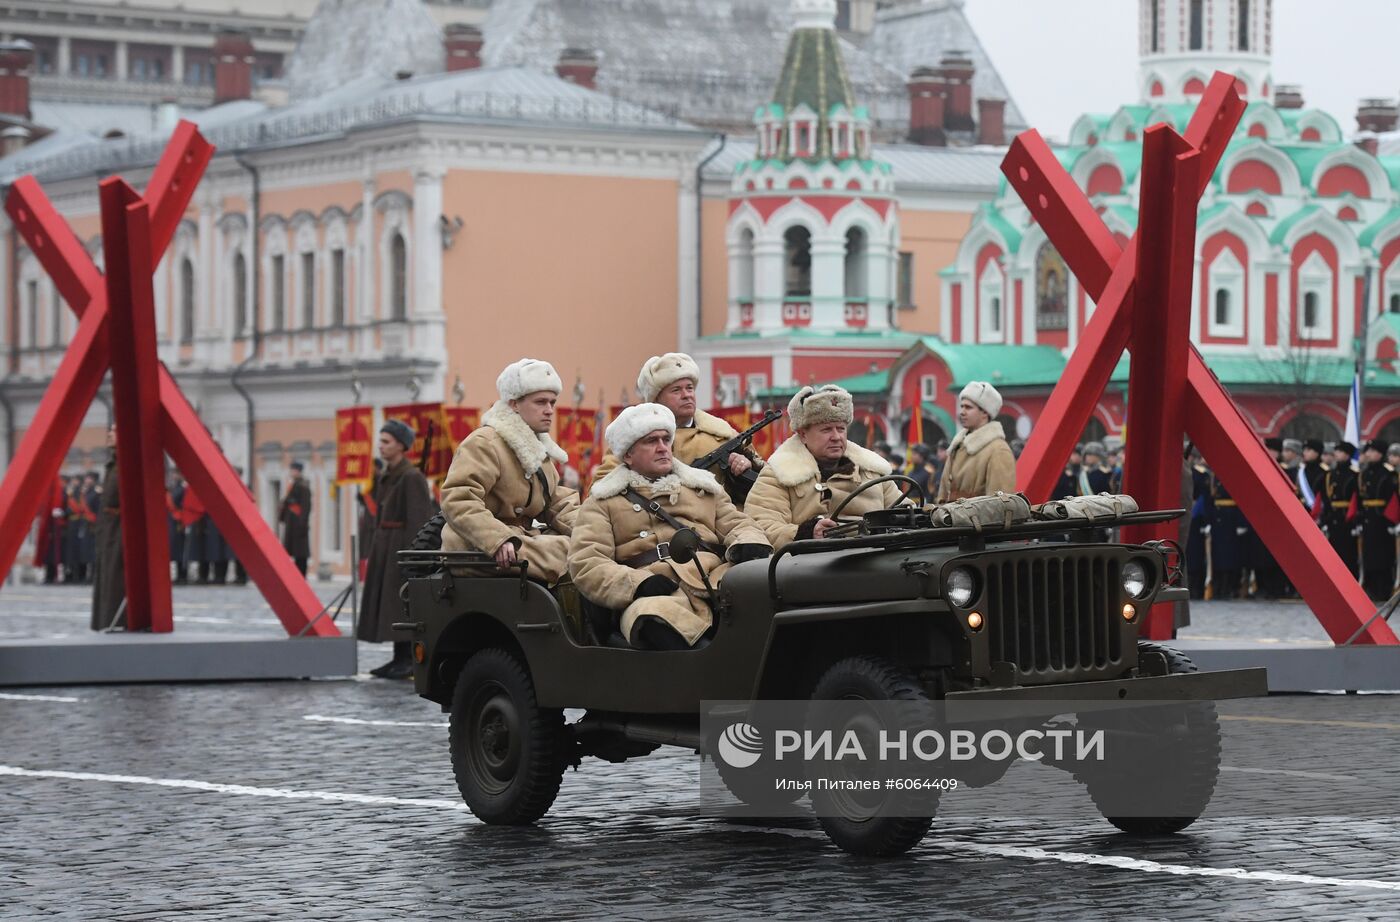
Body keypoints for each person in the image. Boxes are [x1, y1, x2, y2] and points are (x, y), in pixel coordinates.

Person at [568, 403, 770, 649]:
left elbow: (738, 523)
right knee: (655, 619)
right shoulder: (603, 501)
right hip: (656, 592)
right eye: (651, 441)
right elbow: (586, 562)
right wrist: (637, 583)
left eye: (666, 439)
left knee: (769, 605)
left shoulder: (703, 488)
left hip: (716, 581)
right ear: (628, 454)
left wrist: (747, 543)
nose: (663, 447)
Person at [440, 358, 579, 585]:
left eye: (552, 402)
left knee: (588, 551)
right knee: (570, 555)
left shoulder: (536, 448)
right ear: (514, 404)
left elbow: (557, 502)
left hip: (519, 542)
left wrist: (592, 532)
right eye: (540, 402)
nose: (549, 410)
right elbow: (458, 499)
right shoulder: (485, 443)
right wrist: (498, 539)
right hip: (478, 546)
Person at [745, 384, 902, 551]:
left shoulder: (873, 470)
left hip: (877, 560)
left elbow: (905, 510)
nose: (836, 437)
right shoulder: (778, 474)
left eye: (841, 429)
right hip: (810, 566)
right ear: (803, 434)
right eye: (826, 430)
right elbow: (760, 525)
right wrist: (807, 533)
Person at [591, 353, 763, 505]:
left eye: (689, 388)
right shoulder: (632, 437)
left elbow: (765, 486)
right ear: (656, 399)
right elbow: (602, 486)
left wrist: (746, 467)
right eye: (676, 390)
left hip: (716, 525)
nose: (686, 394)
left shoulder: (722, 434)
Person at [360, 418, 439, 678]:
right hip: (386, 547)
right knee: (390, 606)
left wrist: (413, 558)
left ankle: (407, 660)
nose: (380, 447)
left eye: (386, 442)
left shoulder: (411, 477)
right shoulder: (387, 476)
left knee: (402, 604)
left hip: (402, 548)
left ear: (401, 446)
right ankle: (397, 658)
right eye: (380, 441)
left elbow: (419, 520)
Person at [935, 381, 1017, 503]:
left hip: (975, 521)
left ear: (985, 412)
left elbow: (999, 505)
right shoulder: (957, 446)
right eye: (961, 406)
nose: (962, 412)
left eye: (968, 407)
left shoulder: (998, 450)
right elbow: (943, 494)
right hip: (950, 520)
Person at [92, 426, 125, 630]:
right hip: (109, 528)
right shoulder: (113, 464)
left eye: (115, 430)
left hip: (120, 529)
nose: (110, 433)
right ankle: (105, 620)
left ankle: (117, 620)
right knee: (106, 575)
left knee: (116, 576)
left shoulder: (125, 463)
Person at [1357, 440, 1399, 601]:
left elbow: (1394, 498)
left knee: (1384, 557)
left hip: (1383, 520)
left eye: (1372, 451)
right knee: (1368, 557)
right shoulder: (1365, 473)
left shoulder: (1389, 474)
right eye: (1368, 451)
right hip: (1368, 519)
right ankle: (1372, 589)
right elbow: (1361, 499)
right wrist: (1359, 520)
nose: (1368, 454)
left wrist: (1393, 522)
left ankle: (1384, 590)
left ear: (1380, 454)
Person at [1206, 473, 1249, 600]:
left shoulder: (1235, 474)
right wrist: (1207, 520)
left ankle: (1231, 586)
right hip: (1217, 517)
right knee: (1217, 555)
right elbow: (1208, 499)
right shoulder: (1213, 475)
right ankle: (1218, 587)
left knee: (1232, 555)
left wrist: (1241, 522)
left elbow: (1242, 498)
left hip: (1232, 517)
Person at [1321, 441, 1360, 580]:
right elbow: (1326, 498)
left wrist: (1356, 520)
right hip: (1333, 517)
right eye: (1336, 452)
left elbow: (1357, 499)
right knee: (1334, 551)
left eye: (1340, 452)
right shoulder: (1330, 475)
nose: (1336, 454)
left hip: (1347, 518)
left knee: (1348, 552)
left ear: (1347, 455)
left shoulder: (1354, 475)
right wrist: (1325, 518)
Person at [279, 460, 313, 576]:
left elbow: (306, 506)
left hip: (298, 524)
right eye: (291, 470)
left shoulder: (303, 486)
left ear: (298, 471)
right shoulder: (293, 484)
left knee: (300, 553)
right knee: (292, 551)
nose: (292, 472)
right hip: (292, 522)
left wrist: (302, 523)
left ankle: (301, 574)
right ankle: (294, 574)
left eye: (294, 470)